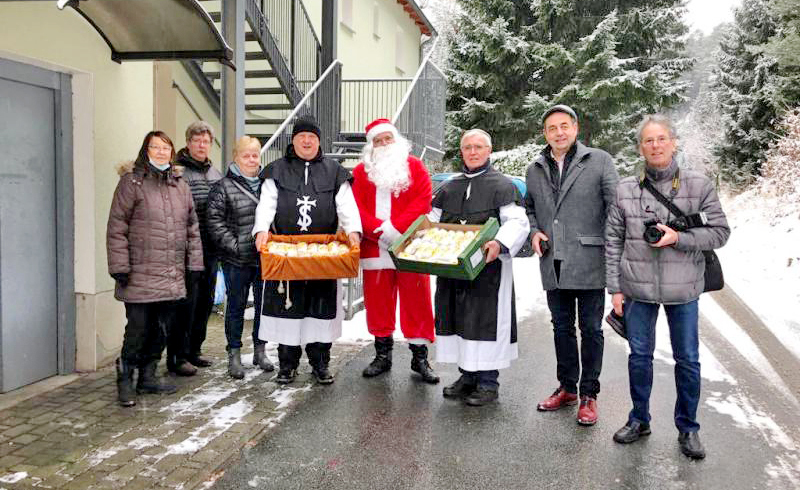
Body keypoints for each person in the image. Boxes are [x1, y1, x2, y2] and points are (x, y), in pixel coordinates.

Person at [606, 114, 730, 459]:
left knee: (688, 360)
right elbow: (612, 241)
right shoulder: (625, 189)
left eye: (661, 139)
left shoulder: (699, 184)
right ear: (640, 147)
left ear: (674, 142)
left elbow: (720, 232)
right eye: (648, 140)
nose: (655, 145)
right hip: (637, 290)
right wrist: (614, 288)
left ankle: (688, 428)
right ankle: (638, 419)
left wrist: (679, 237)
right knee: (639, 358)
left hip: (684, 289)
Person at [524, 104, 619, 425]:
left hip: (590, 259)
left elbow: (615, 208)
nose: (559, 132)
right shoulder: (535, 168)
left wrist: (613, 250)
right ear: (545, 134)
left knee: (591, 329)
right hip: (554, 261)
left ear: (576, 129)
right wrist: (535, 229)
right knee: (561, 328)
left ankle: (589, 394)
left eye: (564, 126)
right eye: (552, 128)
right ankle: (567, 388)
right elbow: (530, 208)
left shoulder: (599, 160)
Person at [253, 116, 362, 385]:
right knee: (286, 311)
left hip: (324, 253)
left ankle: (320, 363)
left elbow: (346, 205)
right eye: (302, 136)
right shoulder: (276, 170)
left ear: (318, 141)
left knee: (319, 311)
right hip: (285, 252)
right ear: (293, 140)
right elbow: (266, 204)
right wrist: (261, 230)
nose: (306, 141)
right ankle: (287, 365)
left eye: (311, 137)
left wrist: (353, 232)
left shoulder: (334, 170)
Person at [432, 129, 530, 406]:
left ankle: (488, 382)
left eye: (478, 147)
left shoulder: (502, 185)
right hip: (453, 270)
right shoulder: (449, 187)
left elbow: (517, 221)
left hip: (489, 271)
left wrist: (499, 242)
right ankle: (467, 376)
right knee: (459, 319)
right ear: (461, 152)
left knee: (484, 321)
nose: (472, 152)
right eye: (467, 147)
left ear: (489, 151)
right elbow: (431, 220)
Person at [106, 131, 204, 407]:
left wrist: (194, 264)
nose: (161, 152)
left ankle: (148, 377)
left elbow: (192, 227)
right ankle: (126, 379)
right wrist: (119, 265)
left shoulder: (179, 185)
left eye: (166, 148)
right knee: (138, 328)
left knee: (161, 328)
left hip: (171, 274)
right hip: (138, 273)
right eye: (155, 147)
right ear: (145, 150)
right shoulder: (132, 182)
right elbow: (117, 227)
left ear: (172, 153)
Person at [351, 118, 438, 384]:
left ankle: (420, 357)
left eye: (388, 138)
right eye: (378, 141)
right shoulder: (359, 171)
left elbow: (423, 201)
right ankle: (382, 354)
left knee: (417, 300)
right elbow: (355, 207)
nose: (384, 144)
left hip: (410, 244)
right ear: (371, 146)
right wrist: (378, 231)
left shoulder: (415, 167)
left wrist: (396, 230)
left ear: (397, 140)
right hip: (373, 245)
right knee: (378, 302)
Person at [207, 136, 275, 379]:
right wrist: (235, 247)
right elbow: (214, 223)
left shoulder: (268, 184)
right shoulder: (223, 186)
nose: (251, 159)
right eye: (245, 155)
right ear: (235, 157)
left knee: (263, 307)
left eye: (255, 155)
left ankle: (260, 350)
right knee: (235, 307)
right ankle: (234, 355)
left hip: (263, 258)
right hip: (236, 259)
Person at [169, 121, 223, 376]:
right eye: (197, 140)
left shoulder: (215, 173)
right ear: (188, 142)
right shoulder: (177, 172)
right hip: (186, 248)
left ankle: (194, 350)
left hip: (210, 248)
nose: (202, 145)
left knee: (205, 301)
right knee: (185, 303)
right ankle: (178, 355)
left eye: (206, 141)